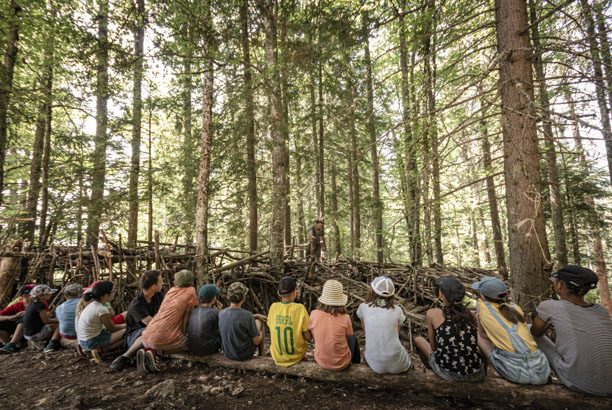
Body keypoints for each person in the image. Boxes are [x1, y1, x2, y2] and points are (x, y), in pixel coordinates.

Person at [531, 265, 612, 396]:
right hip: (609, 384)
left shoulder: (550, 307)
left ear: (560, 285)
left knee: (530, 330)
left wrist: (546, 322)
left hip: (580, 383)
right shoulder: (601, 310)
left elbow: (536, 332)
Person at [472, 276, 550, 384]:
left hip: (515, 372)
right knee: (526, 328)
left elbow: (483, 334)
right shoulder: (516, 308)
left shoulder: (481, 307)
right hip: (542, 370)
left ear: (482, 295)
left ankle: (482, 373)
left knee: (477, 334)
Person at [413, 277, 484, 382]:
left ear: (441, 295)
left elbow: (433, 348)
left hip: (449, 373)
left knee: (418, 340)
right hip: (475, 373)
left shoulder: (432, 313)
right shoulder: (472, 315)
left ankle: (434, 372)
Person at [139, 269, 198, 372]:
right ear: (192, 283)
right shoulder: (191, 291)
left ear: (175, 283)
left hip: (146, 336)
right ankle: (155, 353)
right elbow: (186, 316)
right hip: (160, 340)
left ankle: (147, 350)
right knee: (191, 344)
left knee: (160, 338)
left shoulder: (171, 291)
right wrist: (184, 334)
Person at [110, 270, 164, 371]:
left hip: (154, 331)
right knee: (148, 331)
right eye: (160, 281)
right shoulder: (136, 304)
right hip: (133, 336)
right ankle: (125, 357)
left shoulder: (158, 296)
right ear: (153, 287)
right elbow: (151, 324)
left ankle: (146, 356)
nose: (163, 283)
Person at [357, 276, 411, 374]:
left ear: (372, 291)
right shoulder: (398, 310)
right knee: (404, 353)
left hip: (374, 363)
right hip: (397, 363)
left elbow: (366, 331)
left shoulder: (363, 307)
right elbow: (396, 333)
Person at [308, 279, 360, 371]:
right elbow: (349, 338)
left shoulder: (314, 314)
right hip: (342, 363)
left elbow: (313, 335)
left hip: (321, 360)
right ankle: (356, 363)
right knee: (353, 338)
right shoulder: (345, 317)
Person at [76, 281, 126, 363]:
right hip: (92, 341)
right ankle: (101, 350)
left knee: (124, 334)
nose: (115, 293)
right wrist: (126, 325)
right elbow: (112, 328)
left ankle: (96, 350)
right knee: (127, 332)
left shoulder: (93, 305)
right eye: (113, 291)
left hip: (84, 341)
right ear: (106, 295)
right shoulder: (101, 309)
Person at [267, 277, 312, 367]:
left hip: (277, 357)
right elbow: (308, 337)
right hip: (296, 356)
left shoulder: (273, 307)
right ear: (295, 291)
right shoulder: (300, 308)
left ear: (279, 293)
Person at [218, 282, 267, 361]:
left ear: (228, 297)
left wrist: (255, 315)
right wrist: (261, 334)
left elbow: (236, 318)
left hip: (228, 353)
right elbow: (256, 342)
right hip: (244, 355)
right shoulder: (247, 315)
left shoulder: (221, 313)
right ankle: (261, 355)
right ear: (243, 299)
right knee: (259, 322)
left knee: (256, 320)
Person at [22, 285, 62, 353]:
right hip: (34, 334)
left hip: (27, 334)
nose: (50, 295)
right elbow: (46, 321)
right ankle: (51, 344)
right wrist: (60, 320)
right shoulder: (40, 305)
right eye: (48, 294)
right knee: (59, 325)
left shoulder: (32, 304)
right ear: (41, 296)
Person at [187, 284, 222, 356]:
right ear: (214, 298)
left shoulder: (194, 311)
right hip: (207, 349)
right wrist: (220, 312)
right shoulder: (215, 313)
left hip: (192, 347)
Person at [0, 285, 33, 353]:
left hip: (32, 328)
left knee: (24, 316)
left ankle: (12, 344)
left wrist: (28, 312)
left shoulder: (39, 303)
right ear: (25, 295)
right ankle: (8, 344)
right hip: (18, 327)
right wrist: (11, 317)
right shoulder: (17, 305)